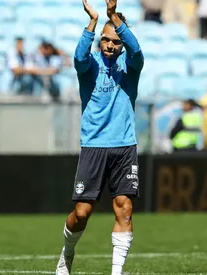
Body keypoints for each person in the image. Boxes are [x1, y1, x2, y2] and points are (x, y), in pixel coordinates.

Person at [55, 0, 144, 274]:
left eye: (115, 41)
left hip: (124, 146)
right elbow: (79, 57)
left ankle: (116, 272)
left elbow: (138, 52)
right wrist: (93, 22)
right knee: (82, 213)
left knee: (124, 207)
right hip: (94, 146)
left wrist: (114, 18)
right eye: (105, 40)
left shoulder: (131, 67)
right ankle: (66, 253)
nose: (109, 45)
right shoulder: (90, 64)